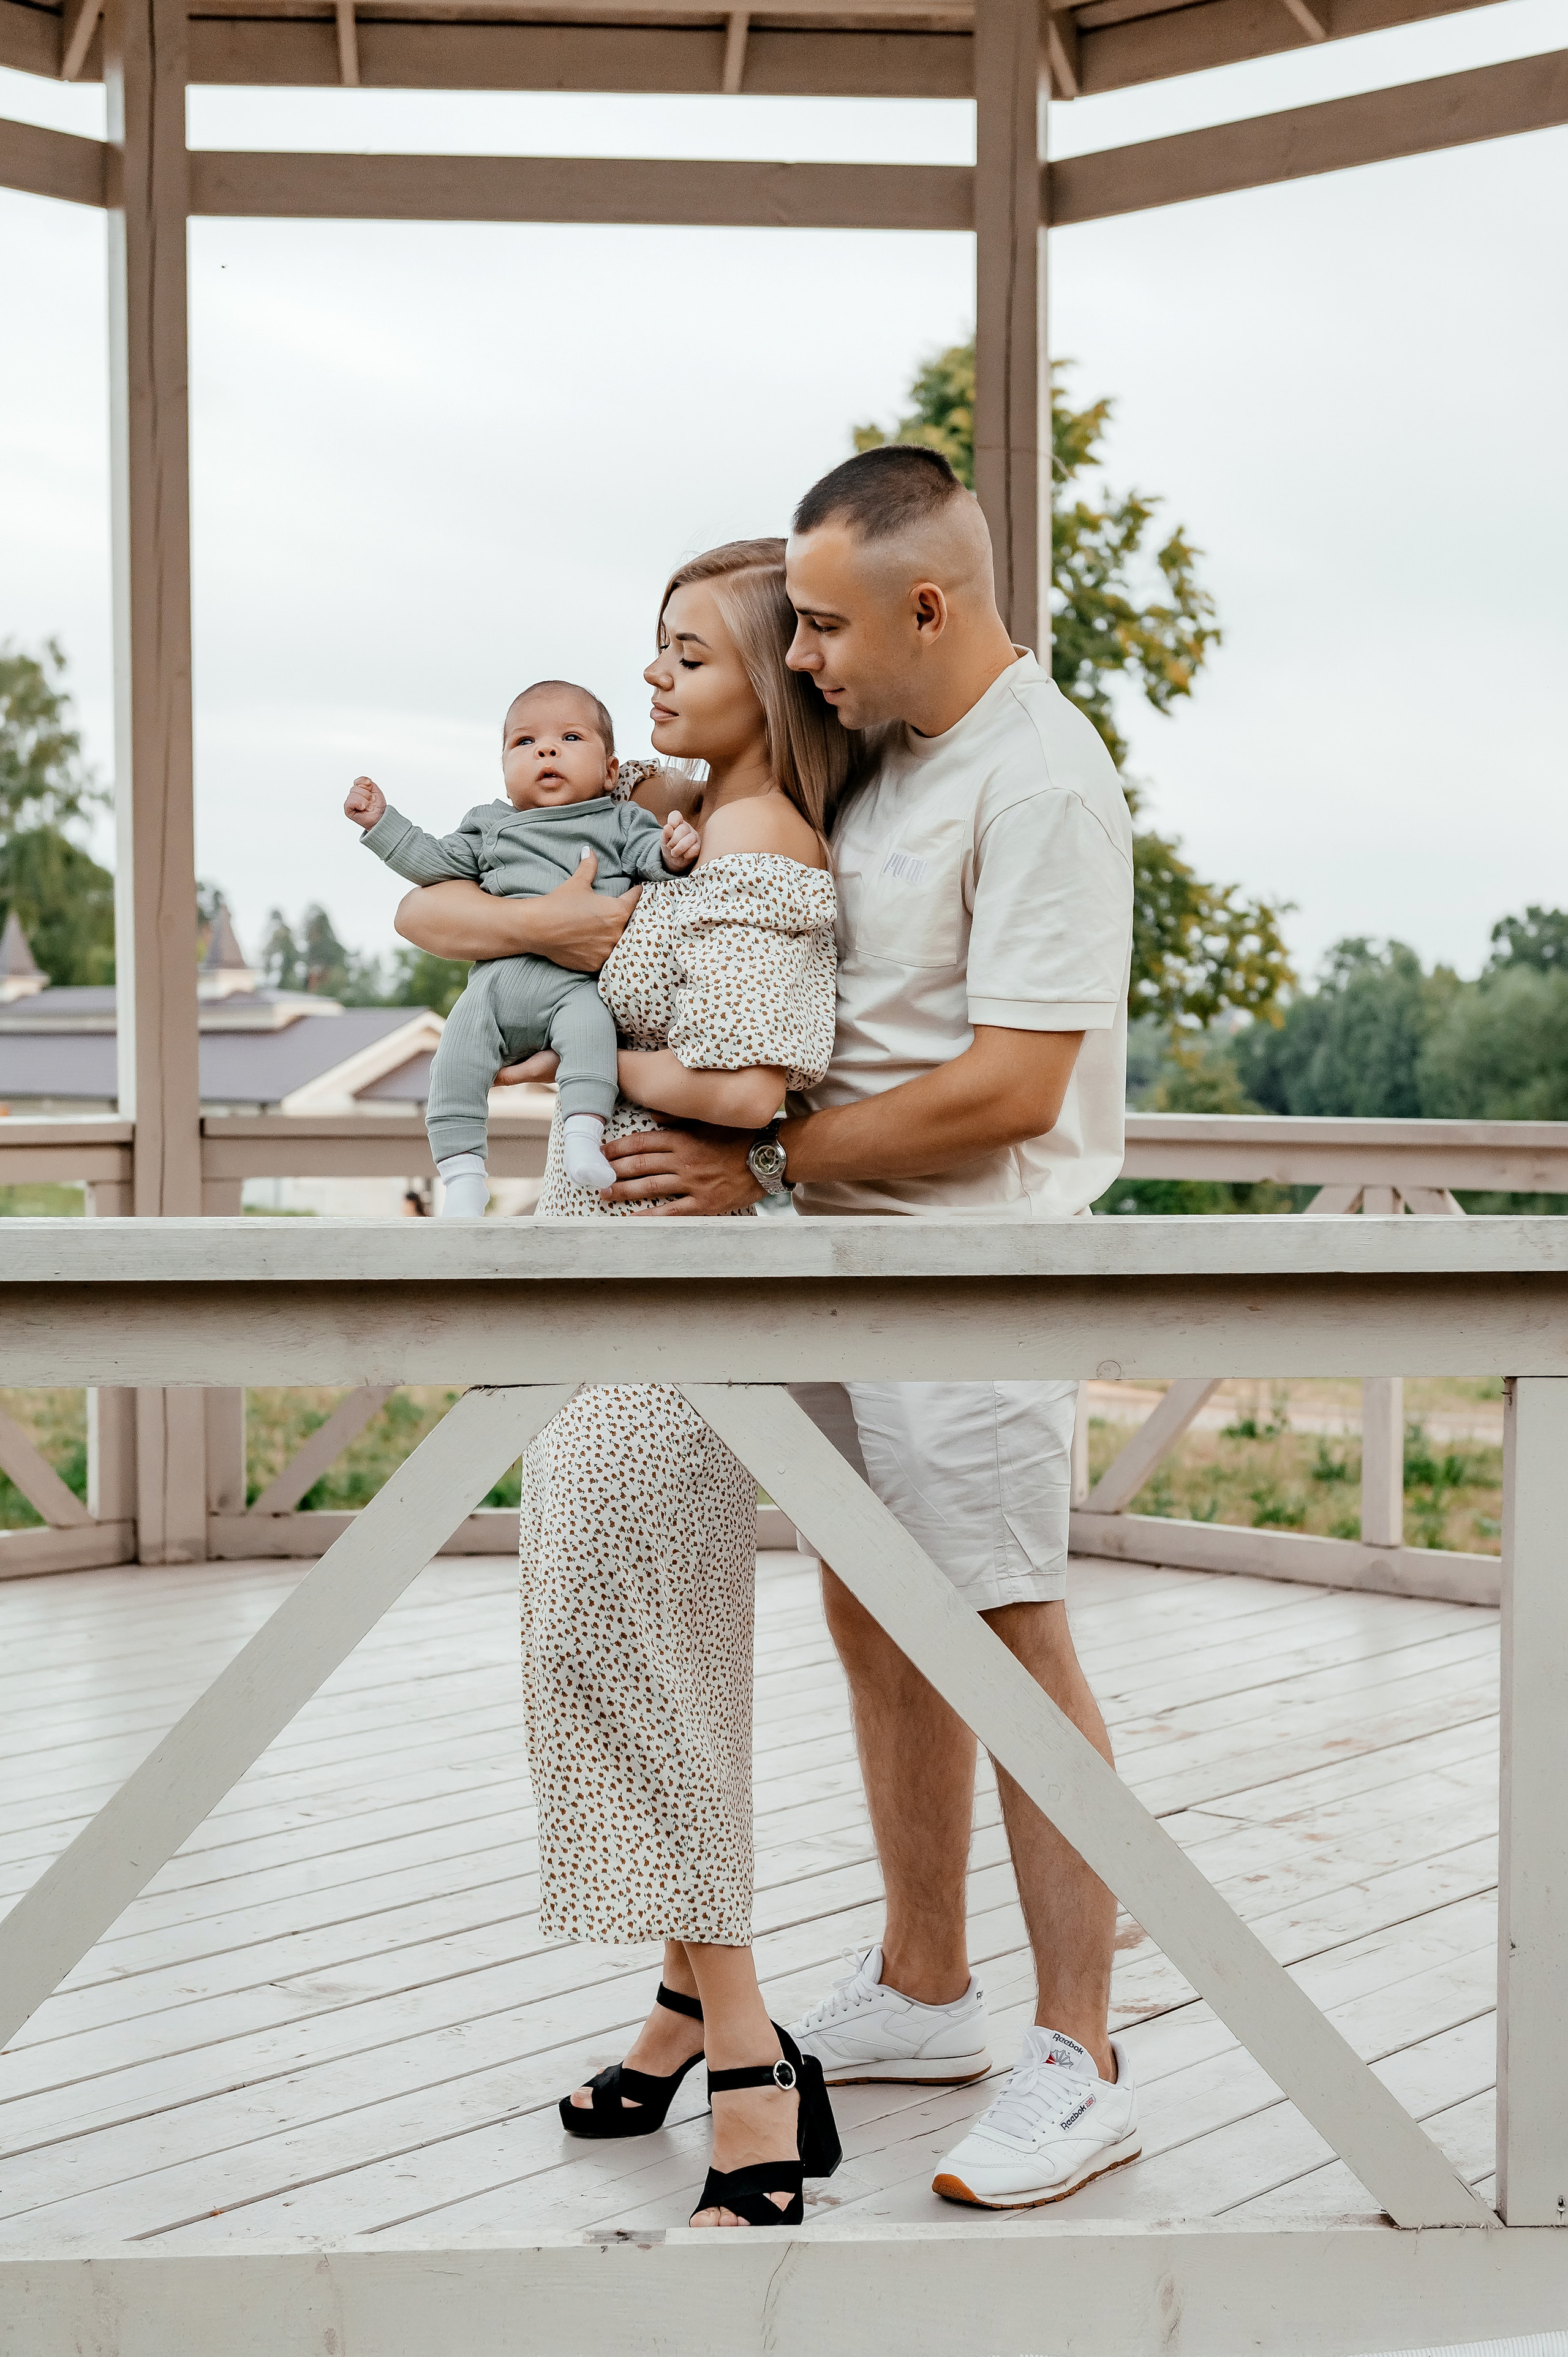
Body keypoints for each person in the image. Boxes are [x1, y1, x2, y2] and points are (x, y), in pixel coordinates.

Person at [591, 446, 1140, 2213]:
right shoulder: (887, 747)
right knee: (873, 1613)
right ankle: (924, 1984)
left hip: (967, 1272)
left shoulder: (1042, 782)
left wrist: (759, 1155)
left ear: (927, 603)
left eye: (823, 624)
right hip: (836, 1250)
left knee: (1005, 1631)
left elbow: (1013, 1083)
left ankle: (1078, 2056)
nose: (802, 653)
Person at [390, 540, 852, 2230]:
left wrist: (589, 1056)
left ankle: (750, 2063)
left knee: (640, 1659)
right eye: (652, 651)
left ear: (770, 684)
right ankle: (679, 2006)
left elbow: (752, 1082)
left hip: (670, 1314)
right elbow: (431, 902)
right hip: (608, 1288)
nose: (652, 679)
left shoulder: (761, 843)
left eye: (689, 656)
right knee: (617, 1643)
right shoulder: (680, 823)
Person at [345, 680, 700, 1208]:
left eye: (570, 738)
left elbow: (653, 857)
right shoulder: (491, 826)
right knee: (454, 1062)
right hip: (493, 990)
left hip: (574, 990)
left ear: (610, 771)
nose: (546, 750)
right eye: (525, 742)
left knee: (592, 1035)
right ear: (504, 770)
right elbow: (433, 863)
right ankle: (462, 1176)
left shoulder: (621, 820)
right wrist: (382, 824)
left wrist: (673, 851)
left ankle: (583, 1137)